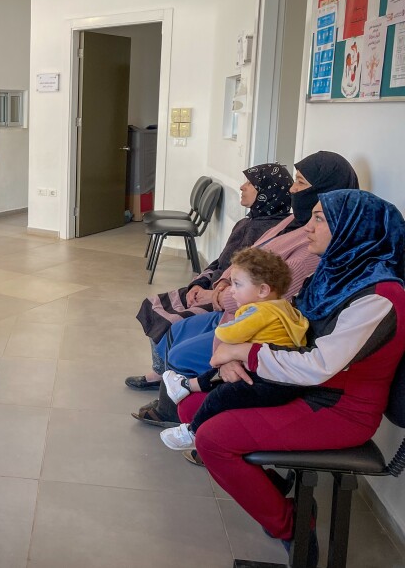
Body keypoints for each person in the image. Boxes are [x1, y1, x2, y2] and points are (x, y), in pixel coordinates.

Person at [180, 190, 405, 564]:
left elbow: (319, 363)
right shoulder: (333, 272)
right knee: (190, 405)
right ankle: (276, 487)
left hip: (338, 409)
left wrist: (244, 354)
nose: (309, 228)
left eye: (320, 219)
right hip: (299, 385)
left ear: (353, 228)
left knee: (213, 439)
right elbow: (286, 330)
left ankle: (292, 524)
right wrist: (230, 362)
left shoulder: (381, 295)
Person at [132, 151, 359, 426]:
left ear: (326, 189)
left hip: (250, 319)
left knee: (180, 348)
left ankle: (176, 410)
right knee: (177, 330)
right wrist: (223, 281)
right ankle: (171, 394)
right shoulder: (293, 221)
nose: (292, 189)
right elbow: (249, 255)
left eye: (300, 182)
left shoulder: (316, 243)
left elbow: (272, 290)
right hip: (235, 304)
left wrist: (216, 297)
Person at [126, 163, 293, 390]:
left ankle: (169, 378)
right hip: (214, 287)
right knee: (153, 304)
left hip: (227, 299)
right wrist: (199, 282)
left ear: (267, 192)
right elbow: (220, 261)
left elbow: (248, 280)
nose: (242, 187)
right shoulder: (247, 221)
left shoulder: (273, 231)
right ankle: (161, 372)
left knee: (169, 317)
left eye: (250, 184)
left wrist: (212, 292)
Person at [159, 247, 308, 450]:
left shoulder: (259, 311)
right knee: (222, 373)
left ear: (263, 290)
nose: (232, 290)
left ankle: (192, 432)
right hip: (280, 376)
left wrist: (224, 331)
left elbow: (229, 333)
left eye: (237, 284)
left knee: (221, 394)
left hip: (270, 382)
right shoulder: (282, 306)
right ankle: (186, 386)